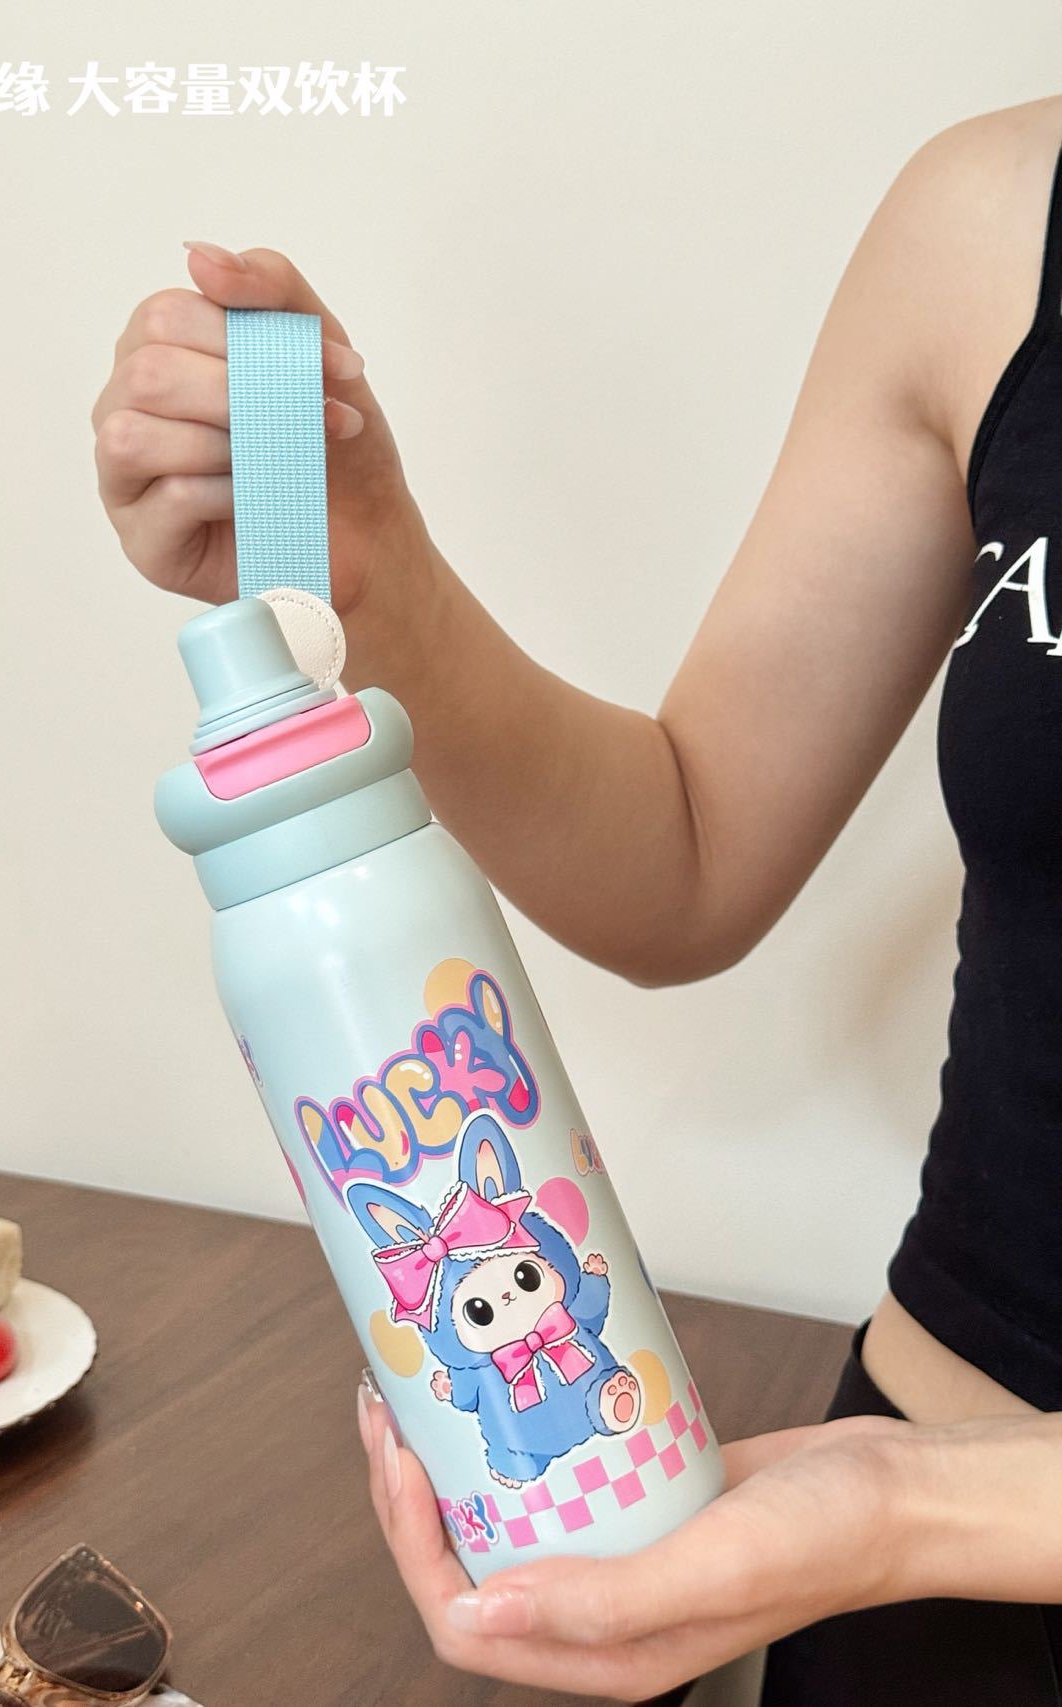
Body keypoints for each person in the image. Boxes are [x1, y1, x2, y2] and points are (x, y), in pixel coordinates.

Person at [92, 95, 1062, 1706]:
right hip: (926, 1562)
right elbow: (688, 857)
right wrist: (370, 575)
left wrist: (912, 1507)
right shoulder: (995, 218)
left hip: (913, 1514)